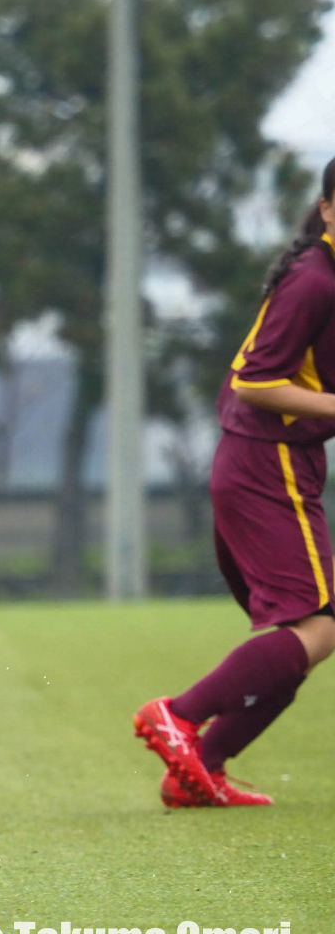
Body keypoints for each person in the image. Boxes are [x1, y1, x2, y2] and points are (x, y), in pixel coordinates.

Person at [134, 156, 335, 808]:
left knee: (299, 639)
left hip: (269, 464)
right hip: (265, 463)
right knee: (321, 625)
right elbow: (255, 379)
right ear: (328, 208)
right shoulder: (315, 282)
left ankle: (201, 768)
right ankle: (179, 715)